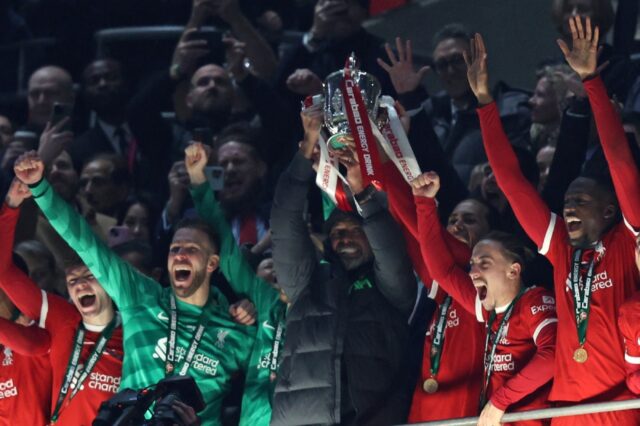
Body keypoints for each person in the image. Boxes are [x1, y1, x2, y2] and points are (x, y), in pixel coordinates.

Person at [14, 150, 278, 425]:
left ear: (212, 263)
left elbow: (260, 398)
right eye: (175, 249)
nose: (180, 255)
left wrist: (250, 307)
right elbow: (86, 244)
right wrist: (40, 189)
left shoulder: (237, 330)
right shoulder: (141, 298)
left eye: (191, 249)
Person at [469, 19, 640, 424]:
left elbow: (619, 159)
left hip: (616, 409)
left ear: (609, 211)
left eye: (580, 201)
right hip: (564, 410)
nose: (569, 209)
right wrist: (483, 104)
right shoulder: (561, 246)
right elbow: (511, 183)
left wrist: (591, 82)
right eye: (566, 202)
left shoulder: (625, 241)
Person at [269, 110, 416, 425]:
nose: (345, 238)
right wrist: (306, 148)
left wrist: (362, 194)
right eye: (337, 233)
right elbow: (284, 220)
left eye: (354, 230)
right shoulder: (308, 283)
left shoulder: (391, 288)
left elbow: (389, 248)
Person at [412, 171, 557, 426]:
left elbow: (553, 354)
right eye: (472, 264)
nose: (474, 272)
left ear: (514, 269)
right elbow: (442, 270)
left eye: (484, 263)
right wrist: (424, 203)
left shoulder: (534, 299)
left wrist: (500, 401)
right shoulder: (487, 311)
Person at [0, 178, 124, 425]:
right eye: (72, 280)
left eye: (89, 276)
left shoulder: (135, 330)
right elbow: (3, 273)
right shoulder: (61, 318)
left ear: (110, 282)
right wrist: (11, 205)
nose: (79, 284)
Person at [185, 141, 284, 426]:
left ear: (261, 168)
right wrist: (199, 183)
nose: (229, 171)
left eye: (238, 162)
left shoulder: (282, 216)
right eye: (223, 165)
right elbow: (227, 253)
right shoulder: (253, 299)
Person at [377, 29, 531, 185]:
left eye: (458, 60)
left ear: (479, 61)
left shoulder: (512, 108)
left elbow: (522, 170)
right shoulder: (429, 112)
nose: (451, 71)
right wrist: (407, 95)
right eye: (442, 64)